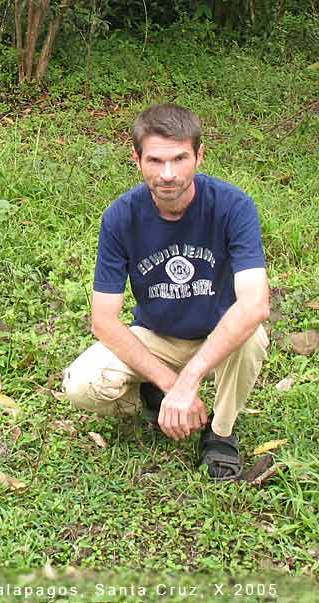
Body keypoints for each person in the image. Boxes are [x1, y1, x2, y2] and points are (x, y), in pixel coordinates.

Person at [62, 103, 270, 481]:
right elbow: (104, 321)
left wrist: (190, 380)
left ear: (199, 156)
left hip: (217, 332)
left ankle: (220, 433)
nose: (168, 174)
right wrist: (172, 383)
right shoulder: (120, 217)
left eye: (179, 158)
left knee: (252, 335)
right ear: (137, 159)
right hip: (157, 335)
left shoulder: (233, 206)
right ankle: (155, 399)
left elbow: (255, 303)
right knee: (82, 384)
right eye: (155, 161)